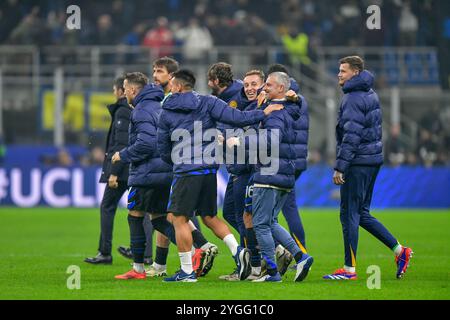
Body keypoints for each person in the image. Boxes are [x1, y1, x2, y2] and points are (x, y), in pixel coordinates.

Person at [157, 69, 283, 282]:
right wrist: (263, 112)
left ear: (177, 86)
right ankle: (237, 251)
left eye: (171, 83)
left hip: (186, 170)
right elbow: (238, 118)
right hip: (209, 169)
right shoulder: (209, 101)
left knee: (178, 219)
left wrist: (177, 161)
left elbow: (162, 146)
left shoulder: (167, 110)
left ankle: (187, 272)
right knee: (209, 216)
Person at [323, 56, 413, 280]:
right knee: (361, 213)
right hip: (371, 159)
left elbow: (352, 136)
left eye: (343, 71)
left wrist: (340, 167)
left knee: (349, 214)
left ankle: (349, 270)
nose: (339, 74)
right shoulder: (369, 92)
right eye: (339, 70)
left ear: (355, 72)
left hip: (358, 162)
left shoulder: (353, 98)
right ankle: (400, 251)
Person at [249, 72, 314, 282]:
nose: (263, 88)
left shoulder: (275, 113)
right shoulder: (286, 109)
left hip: (269, 175)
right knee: (270, 223)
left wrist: (239, 143)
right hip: (283, 175)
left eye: (268, 84)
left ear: (281, 89)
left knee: (260, 224)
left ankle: (273, 272)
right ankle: (300, 256)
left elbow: (269, 142)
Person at [84, 76, 132, 265]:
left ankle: (105, 252)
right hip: (134, 168)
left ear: (122, 91)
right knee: (143, 211)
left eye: (114, 90)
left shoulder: (122, 111)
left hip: (122, 170)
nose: (113, 93)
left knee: (107, 207)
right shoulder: (134, 109)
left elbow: (121, 143)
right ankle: (144, 253)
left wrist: (114, 172)